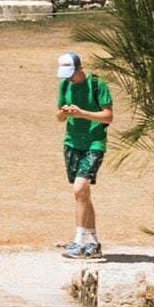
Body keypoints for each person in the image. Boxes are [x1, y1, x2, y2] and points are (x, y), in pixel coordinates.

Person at [55, 47, 113, 260]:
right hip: (72, 142)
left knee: (79, 189)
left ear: (80, 68)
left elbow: (108, 116)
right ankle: (94, 243)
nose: (69, 79)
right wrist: (64, 113)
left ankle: (79, 241)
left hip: (94, 143)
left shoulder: (97, 85)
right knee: (83, 194)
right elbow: (58, 117)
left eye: (71, 75)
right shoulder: (64, 85)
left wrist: (82, 113)